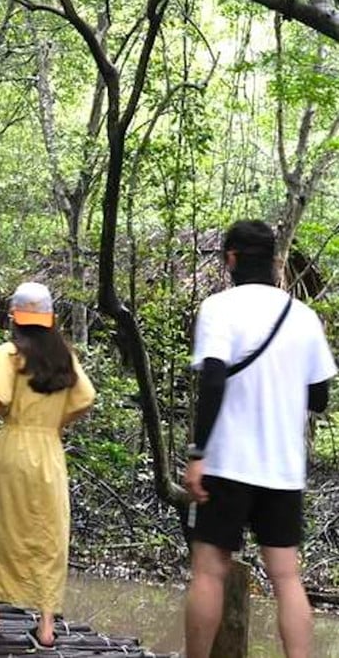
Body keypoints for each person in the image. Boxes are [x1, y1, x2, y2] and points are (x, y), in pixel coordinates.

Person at [183, 220, 337, 658]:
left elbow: (213, 381)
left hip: (227, 463)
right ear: (274, 260)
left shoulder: (219, 308)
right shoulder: (303, 317)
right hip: (283, 470)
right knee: (287, 578)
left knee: (209, 572)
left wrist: (198, 452)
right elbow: (321, 397)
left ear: (231, 258)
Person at [0, 281, 95, 651]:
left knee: (2, 526)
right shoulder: (66, 358)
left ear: (15, 318)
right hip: (49, 450)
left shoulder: (9, 354)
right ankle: (46, 625)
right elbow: (85, 399)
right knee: (49, 532)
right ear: (50, 320)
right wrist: (54, 423)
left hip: (14, 447)